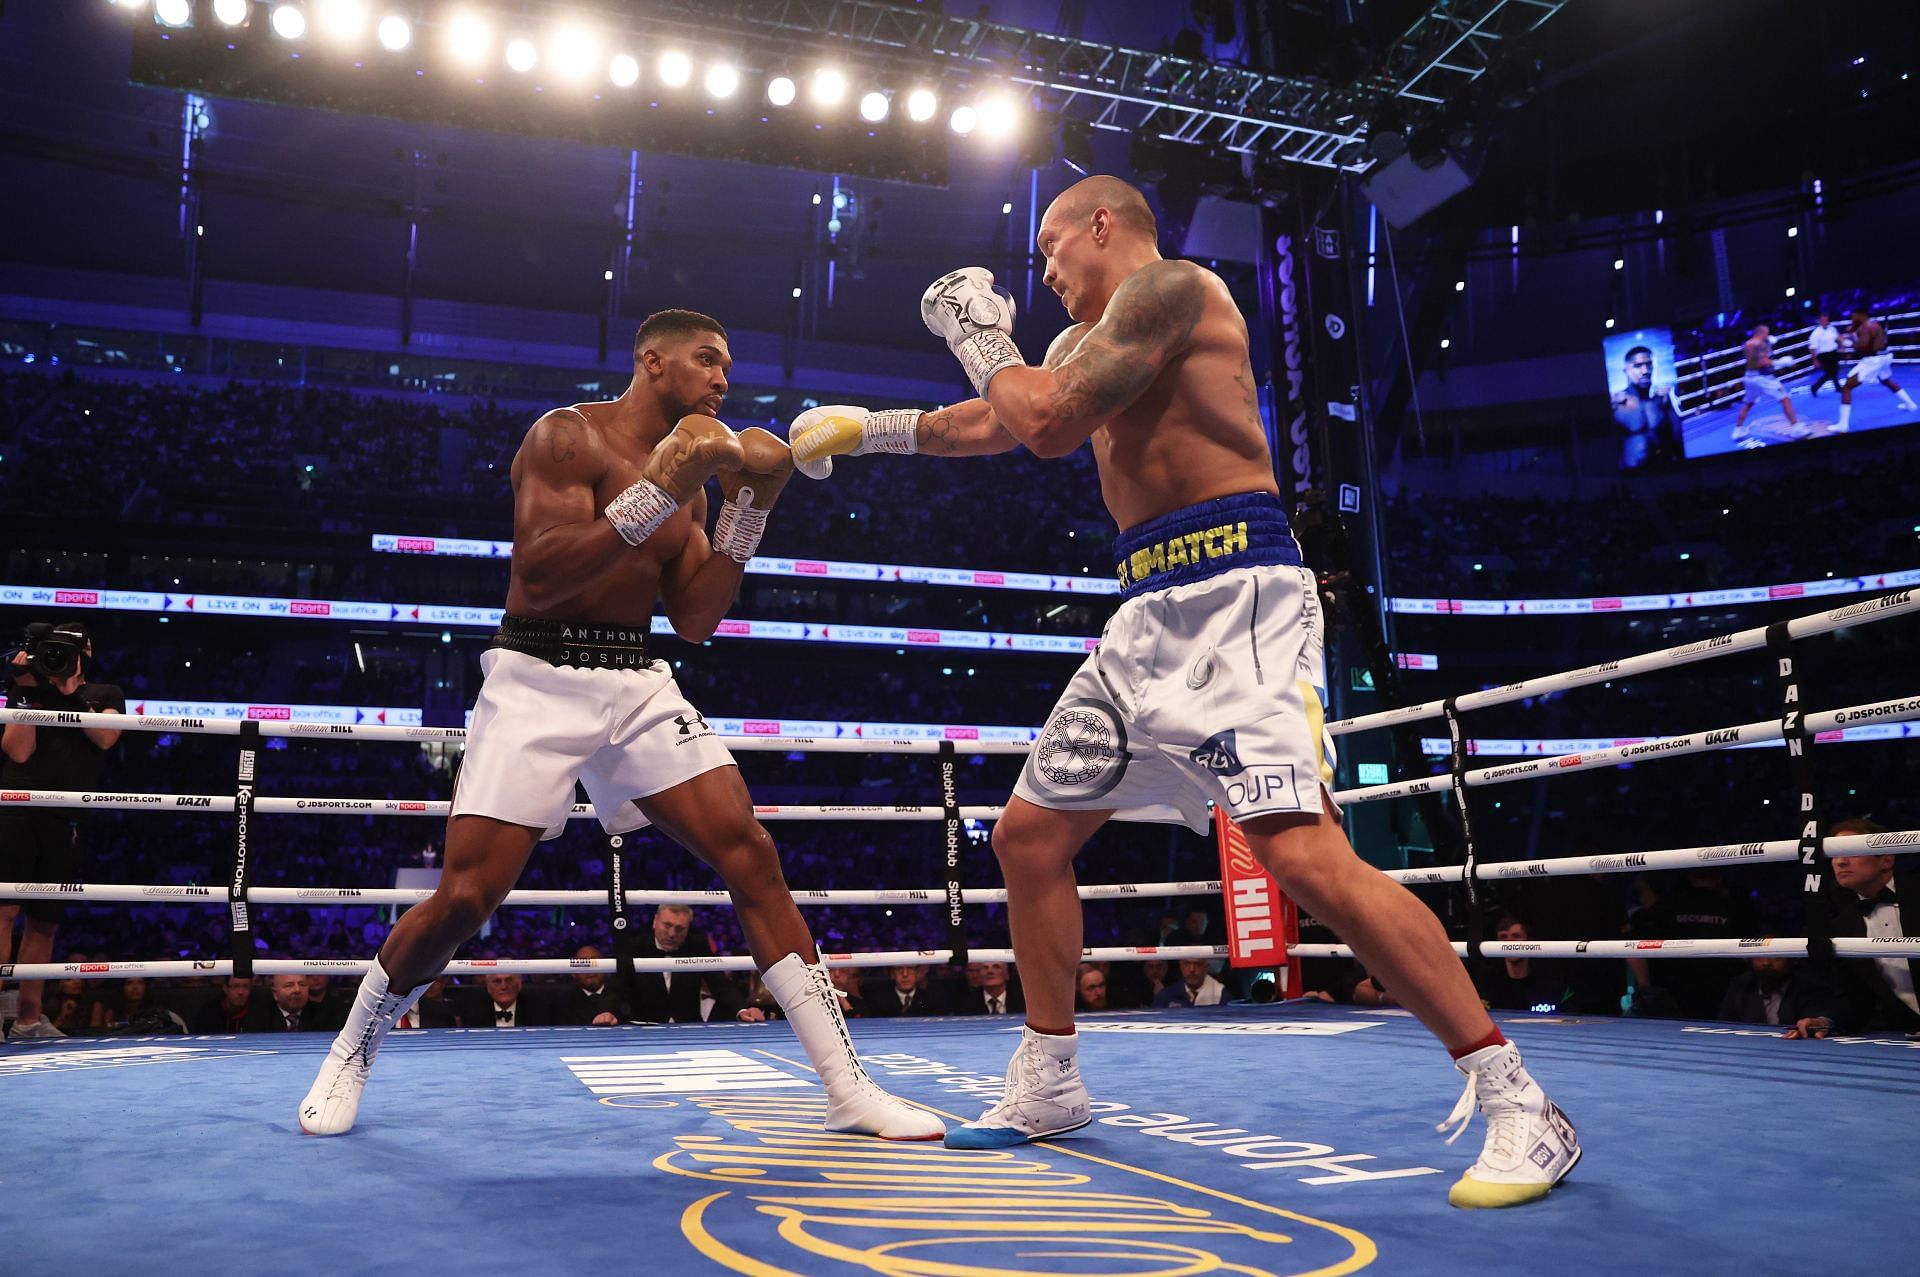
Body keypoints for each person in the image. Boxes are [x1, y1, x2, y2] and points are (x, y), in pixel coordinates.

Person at [790, 174, 1578, 1206]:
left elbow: (1045, 424)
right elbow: (994, 422)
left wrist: (981, 332)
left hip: (1235, 595)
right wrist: (871, 427)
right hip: (1143, 612)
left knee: (1302, 855)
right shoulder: (1080, 346)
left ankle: (1518, 1097)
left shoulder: (1172, 289)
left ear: (1102, 226)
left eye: (1050, 251)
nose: (1046, 274)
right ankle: (1051, 1078)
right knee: (1028, 835)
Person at [298, 309, 938, 1143]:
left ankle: (847, 1086)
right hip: (537, 672)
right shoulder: (568, 438)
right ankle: (351, 1048)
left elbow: (698, 618)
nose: (722, 379)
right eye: (707, 361)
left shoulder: (698, 477)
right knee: (465, 897)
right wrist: (658, 490)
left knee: (749, 848)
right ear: (652, 361)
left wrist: (752, 510)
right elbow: (543, 569)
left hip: (635, 676)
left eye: (727, 366)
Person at [2, 622, 124, 1039]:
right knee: (3, 912)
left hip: (67, 817)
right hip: (16, 809)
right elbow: (19, 751)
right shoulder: (27, 690)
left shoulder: (105, 695)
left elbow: (107, 737)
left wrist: (70, 697)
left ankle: (28, 1019)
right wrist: (30, 691)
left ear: (86, 652)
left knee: (44, 921)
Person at [1787, 818, 1919, 1039]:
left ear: (1886, 859)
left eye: (1851, 851)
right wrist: (1827, 1020)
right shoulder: (1838, 919)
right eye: (1835, 854)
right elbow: (1857, 996)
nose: (1840, 862)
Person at [625, 905, 758, 1025]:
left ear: (688, 928)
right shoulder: (634, 946)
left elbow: (719, 983)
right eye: (667, 925)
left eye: (679, 929)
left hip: (688, 1025)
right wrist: (606, 1010)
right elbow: (617, 984)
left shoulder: (697, 945)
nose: (671, 934)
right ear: (655, 921)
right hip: (644, 1026)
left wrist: (742, 1009)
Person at [1836, 307, 1917, 432]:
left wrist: (1845, 342)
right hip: (1885, 356)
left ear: (1860, 315)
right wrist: (1852, 334)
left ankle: (1843, 425)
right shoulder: (1873, 323)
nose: (1852, 318)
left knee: (1847, 387)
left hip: (1873, 360)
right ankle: (1910, 404)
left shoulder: (1865, 327)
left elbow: (1862, 346)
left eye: (1853, 316)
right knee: (1885, 380)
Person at [1609, 345, 1684, 466]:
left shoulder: (1661, 400)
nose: (1645, 371)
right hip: (1631, 476)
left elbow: (1677, 438)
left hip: (1665, 469)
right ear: (1626, 371)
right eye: (1637, 366)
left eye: (1648, 364)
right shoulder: (1617, 403)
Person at [1474, 916, 1567, 1012]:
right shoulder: (1486, 982)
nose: (1509, 942)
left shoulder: (1549, 981)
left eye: (1516, 936)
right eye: (1503, 937)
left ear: (1528, 940)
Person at [1730, 324, 1802, 443]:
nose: (1768, 335)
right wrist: (1781, 362)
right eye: (1767, 333)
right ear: (1762, 333)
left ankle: (1737, 430)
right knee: (1785, 399)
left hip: (1749, 377)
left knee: (1748, 404)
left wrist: (1769, 344)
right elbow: (1762, 362)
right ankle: (1797, 428)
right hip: (1764, 378)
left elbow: (1756, 358)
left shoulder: (1749, 343)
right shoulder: (1760, 344)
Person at [553, 944, 629, 1026]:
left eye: (595, 962)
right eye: (583, 963)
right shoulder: (564, 1002)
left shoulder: (622, 995)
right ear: (573, 973)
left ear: (606, 967)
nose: (590, 968)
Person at [870, 964, 942, 1017]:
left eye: (910, 968)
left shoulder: (929, 997)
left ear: (917, 973)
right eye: (900, 968)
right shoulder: (879, 999)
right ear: (892, 974)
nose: (905, 974)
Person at [955, 961, 1024, 1016]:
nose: (990, 971)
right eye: (985, 968)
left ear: (1007, 975)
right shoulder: (967, 1002)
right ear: (979, 975)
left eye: (996, 967)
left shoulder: (1022, 1000)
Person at [1153, 958, 1226, 1008]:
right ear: (1181, 966)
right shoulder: (1165, 996)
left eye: (1197, 964)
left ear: (1206, 968)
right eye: (1187, 963)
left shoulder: (1221, 995)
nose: (1192, 969)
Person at [1805, 313, 1842, 396]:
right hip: (1823, 355)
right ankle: (1814, 387)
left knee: (1835, 370)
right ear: (1819, 321)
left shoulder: (1832, 328)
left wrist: (1841, 346)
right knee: (1829, 373)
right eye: (1822, 320)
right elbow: (1812, 348)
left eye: (1826, 320)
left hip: (1833, 352)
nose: (1825, 321)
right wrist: (1815, 361)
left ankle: (1837, 387)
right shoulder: (1815, 333)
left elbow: (1837, 338)